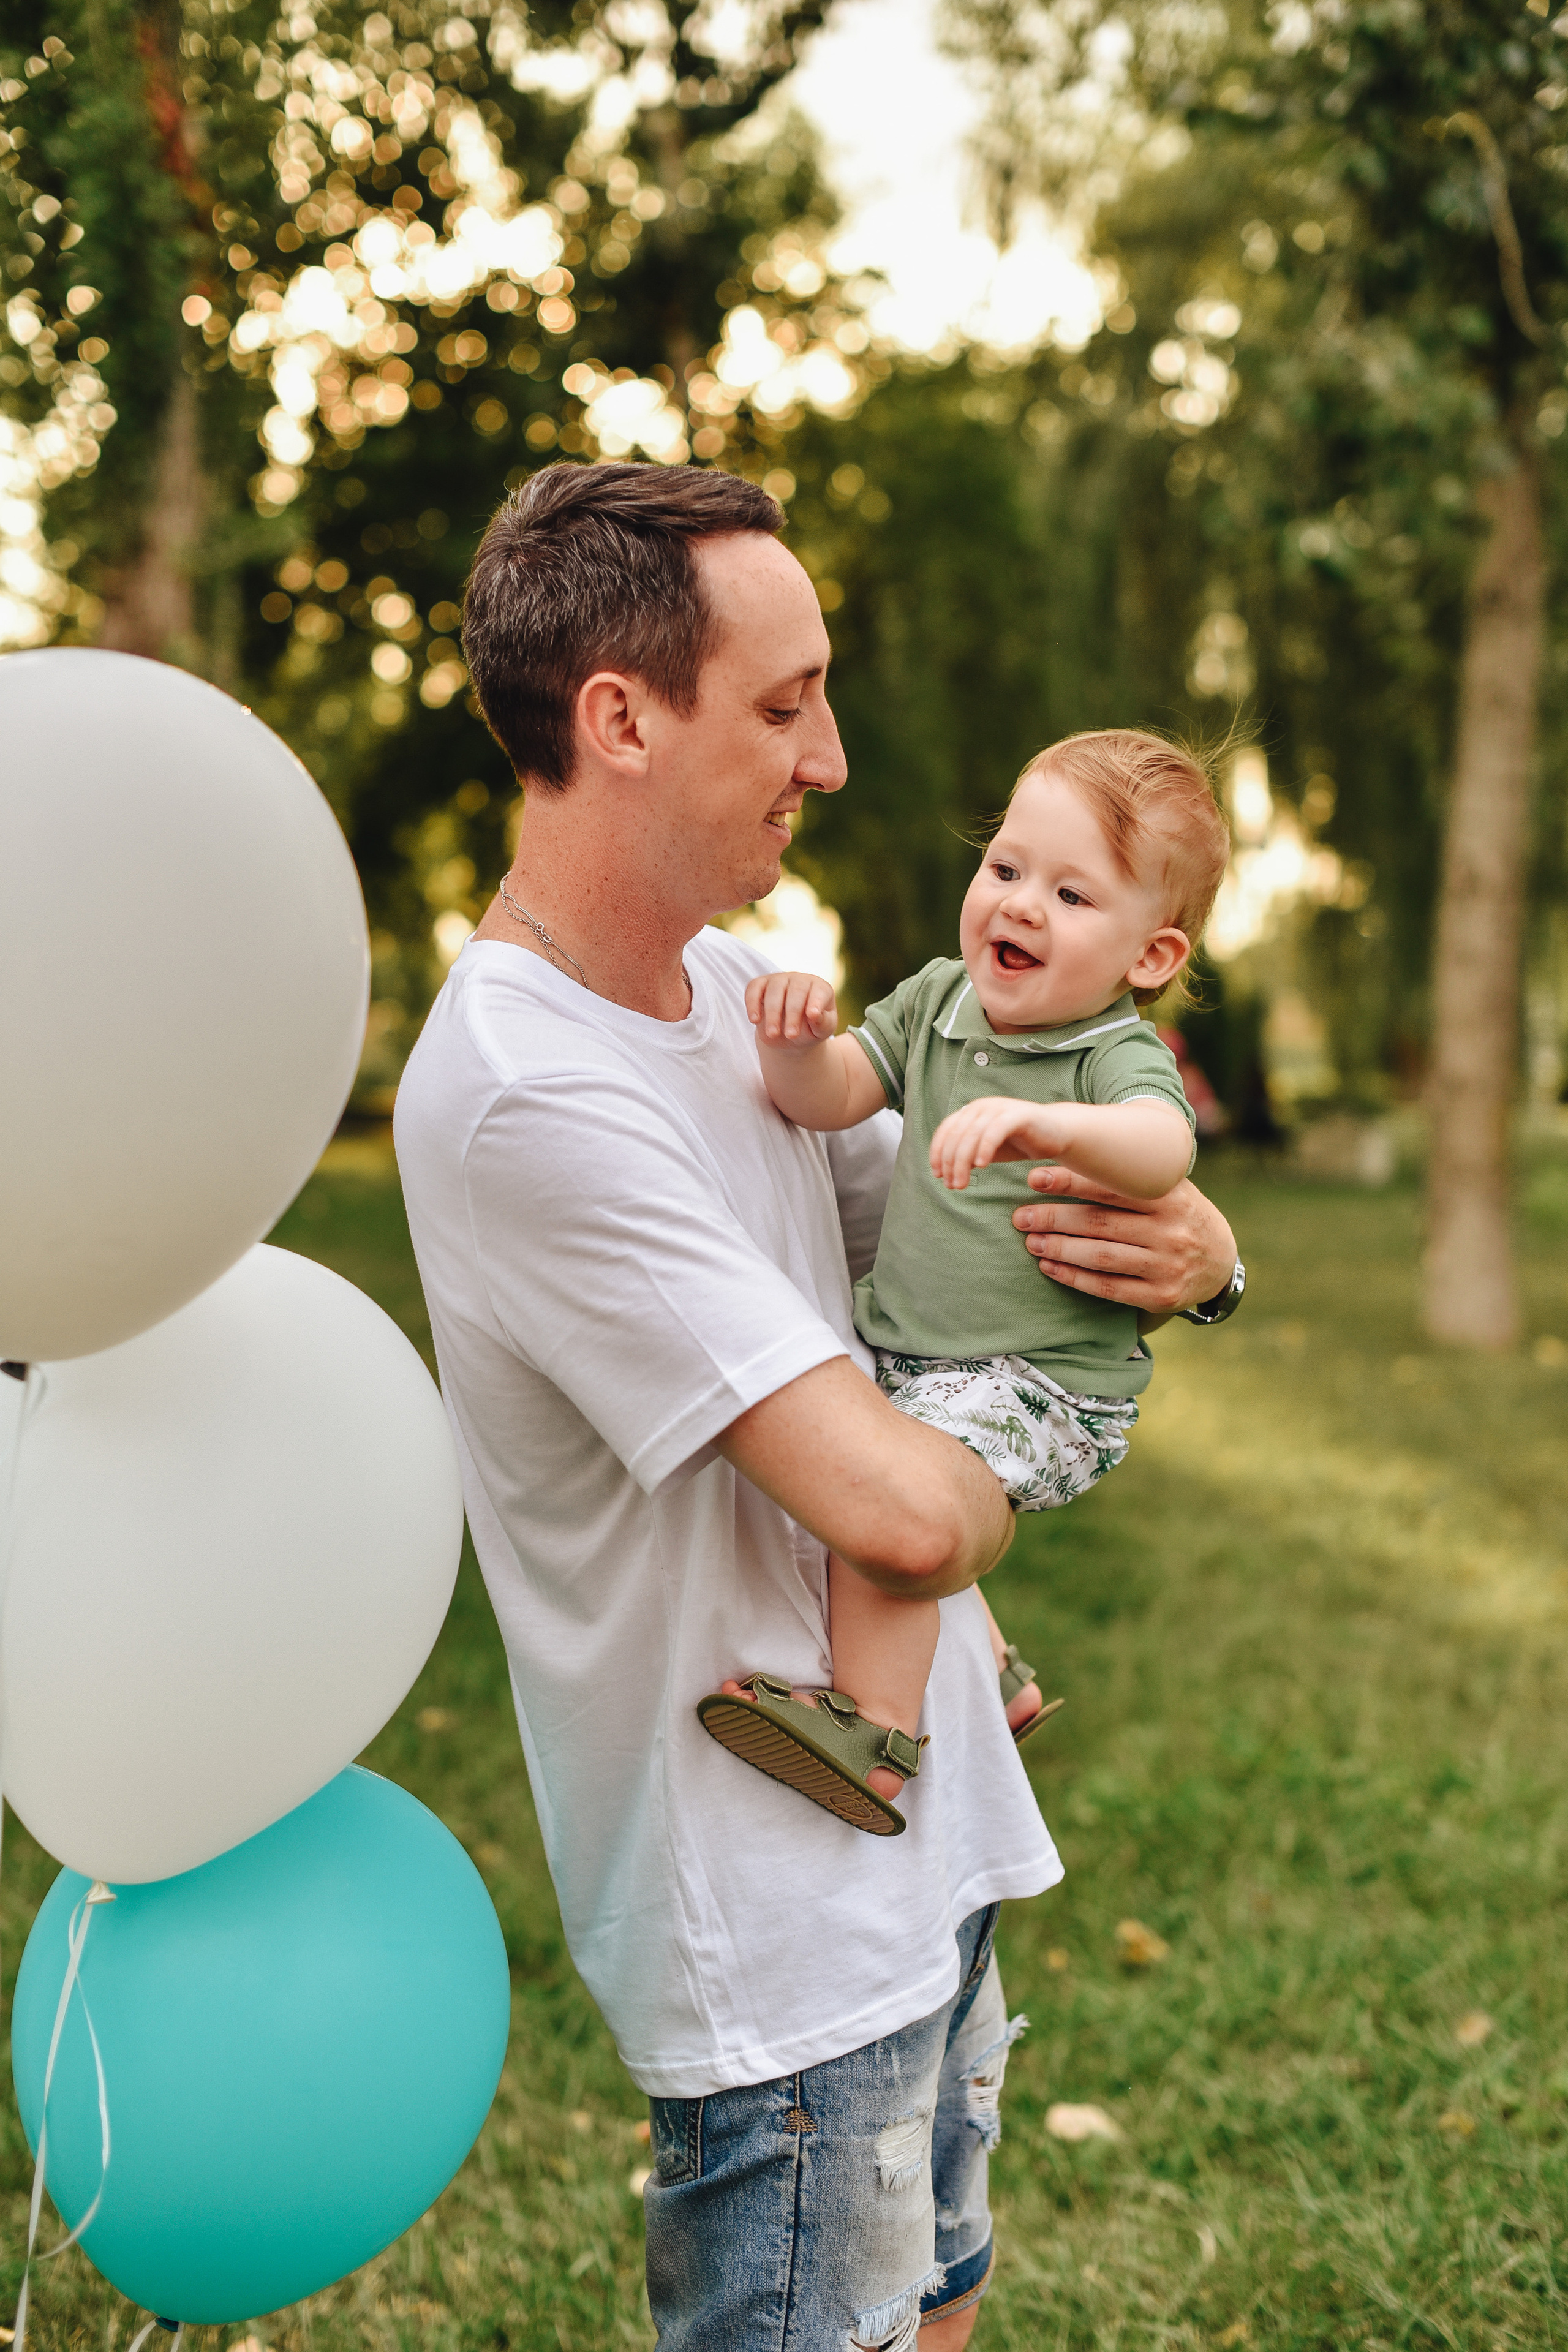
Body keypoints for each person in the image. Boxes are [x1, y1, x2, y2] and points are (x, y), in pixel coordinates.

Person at [393, 461, 1243, 2351]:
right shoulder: (531, 1090)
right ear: (620, 719)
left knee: (940, 2301)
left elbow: (976, 1254)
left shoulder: (730, 994)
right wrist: (1017, 1479)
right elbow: (912, 1514)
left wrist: (1197, 1252)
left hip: (919, 1847)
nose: (836, 758)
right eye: (786, 704)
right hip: (774, 1923)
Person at [698, 733, 1232, 1836]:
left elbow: (1158, 1149)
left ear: (1149, 956)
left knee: (888, 1496)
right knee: (901, 1438)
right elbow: (838, 1093)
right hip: (923, 1357)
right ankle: (992, 1671)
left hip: (1043, 1384)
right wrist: (797, 1045)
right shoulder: (939, 1001)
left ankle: (877, 1735)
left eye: (1072, 893)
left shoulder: (1110, 1054)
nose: (1021, 905)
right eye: (1006, 868)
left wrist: (1043, 1124)